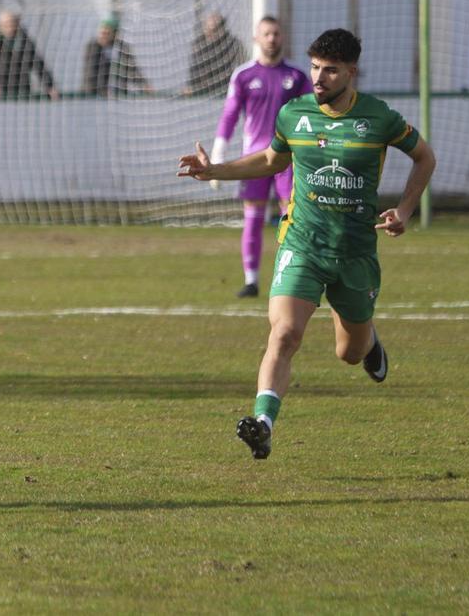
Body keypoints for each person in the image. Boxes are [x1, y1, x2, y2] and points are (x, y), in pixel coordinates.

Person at [178, 28, 436, 461]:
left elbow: (424, 156)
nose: (318, 78)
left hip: (354, 252)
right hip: (302, 244)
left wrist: (406, 209)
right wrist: (214, 170)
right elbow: (269, 160)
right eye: (315, 68)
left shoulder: (379, 118)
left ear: (352, 72)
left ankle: (369, 343)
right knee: (284, 334)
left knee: (349, 353)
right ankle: (262, 423)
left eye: (330, 70)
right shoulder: (294, 114)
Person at [210, 16, 311, 298]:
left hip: (287, 160)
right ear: (256, 38)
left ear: (283, 37)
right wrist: (219, 151)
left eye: (276, 33)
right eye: (266, 34)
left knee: (291, 219)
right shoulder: (243, 75)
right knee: (253, 218)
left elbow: (311, 114)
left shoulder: (297, 76)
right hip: (254, 160)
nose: (271, 39)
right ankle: (251, 280)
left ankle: (288, 276)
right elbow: (230, 114)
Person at [0, 11, 60, 100]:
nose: (9, 27)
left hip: (22, 91)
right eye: (5, 24)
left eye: (11, 23)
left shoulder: (26, 43)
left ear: (17, 23)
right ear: (0, 26)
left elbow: (39, 65)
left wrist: (49, 86)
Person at [83, 15, 151, 97]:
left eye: (107, 33)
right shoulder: (93, 47)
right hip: (95, 92)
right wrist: (96, 90)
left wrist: (144, 84)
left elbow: (132, 68)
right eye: (101, 33)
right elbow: (90, 72)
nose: (103, 36)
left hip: (118, 91)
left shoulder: (122, 47)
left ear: (115, 34)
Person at [185, 11, 246, 97]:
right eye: (207, 29)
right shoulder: (199, 44)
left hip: (226, 89)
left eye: (214, 30)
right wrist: (191, 86)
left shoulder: (233, 44)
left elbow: (243, 67)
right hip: (202, 89)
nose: (209, 33)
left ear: (222, 29)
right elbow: (195, 69)